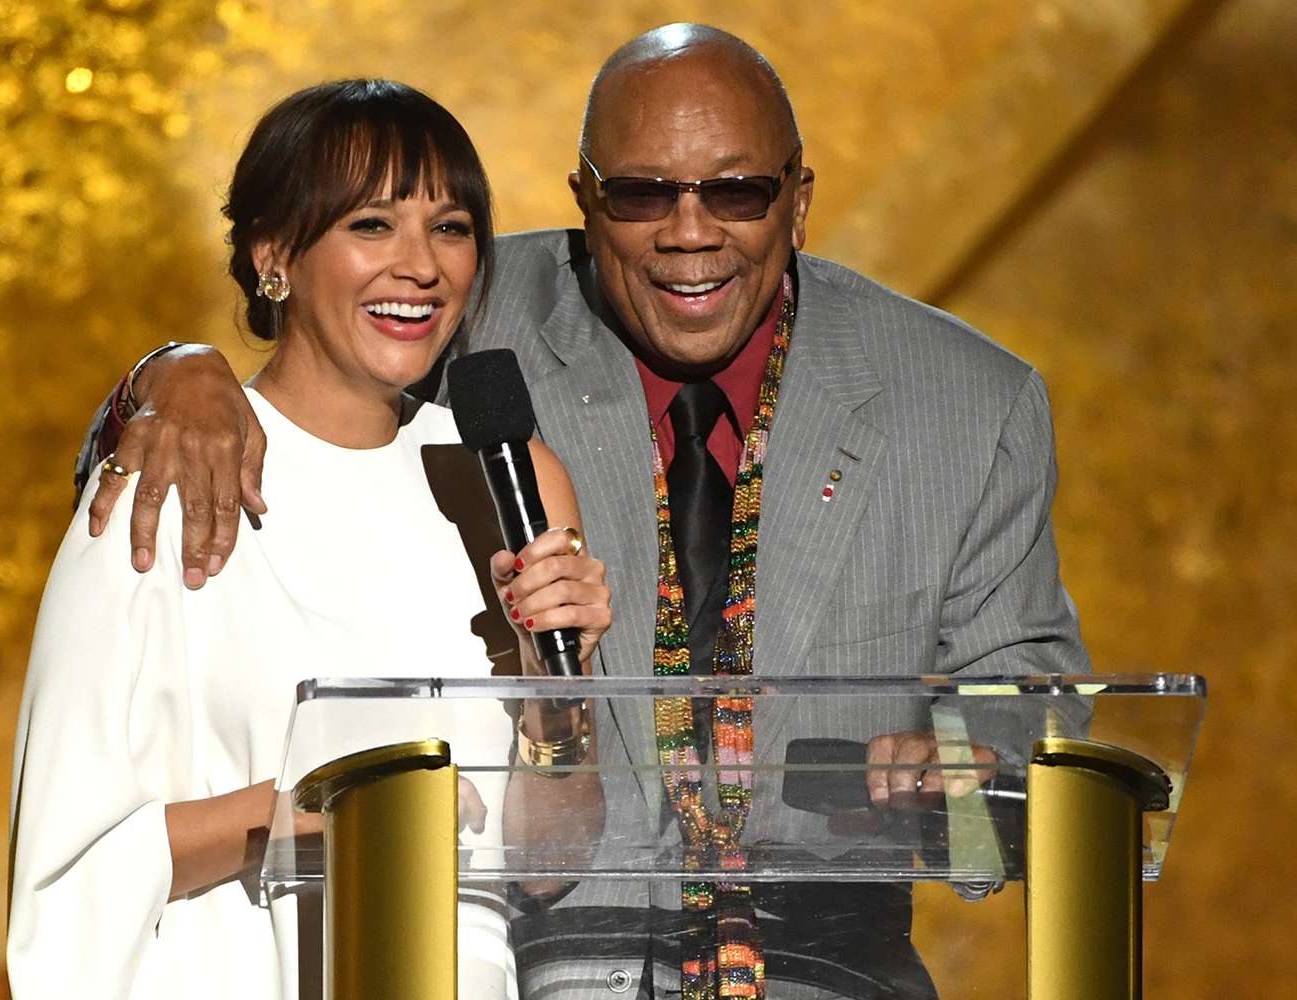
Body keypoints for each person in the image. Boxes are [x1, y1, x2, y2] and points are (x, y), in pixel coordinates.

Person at [75, 25, 1089, 1000]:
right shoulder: (471, 298)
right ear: (586, 201)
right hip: (530, 968)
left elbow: (1040, 704)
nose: (690, 234)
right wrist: (167, 377)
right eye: (644, 193)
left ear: (798, 197)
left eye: (736, 191)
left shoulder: (966, 403)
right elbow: (298, 347)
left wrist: (970, 760)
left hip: (824, 973)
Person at [8, 79, 611, 999]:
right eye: (372, 225)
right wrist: (313, 814)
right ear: (274, 254)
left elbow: (544, 865)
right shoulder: (176, 468)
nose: (421, 266)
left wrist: (557, 693)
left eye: (450, 229)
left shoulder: (509, 477)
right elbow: (67, 863)